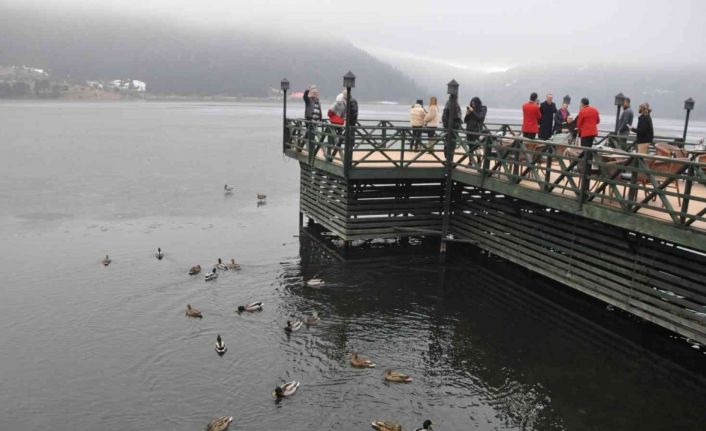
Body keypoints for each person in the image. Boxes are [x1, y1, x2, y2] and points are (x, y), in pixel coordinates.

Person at [327, 92, 347, 159]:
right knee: (340, 134)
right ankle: (339, 146)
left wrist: (332, 116)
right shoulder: (345, 104)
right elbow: (344, 114)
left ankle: (333, 146)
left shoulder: (336, 103)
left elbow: (330, 112)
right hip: (340, 121)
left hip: (334, 120)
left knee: (333, 134)